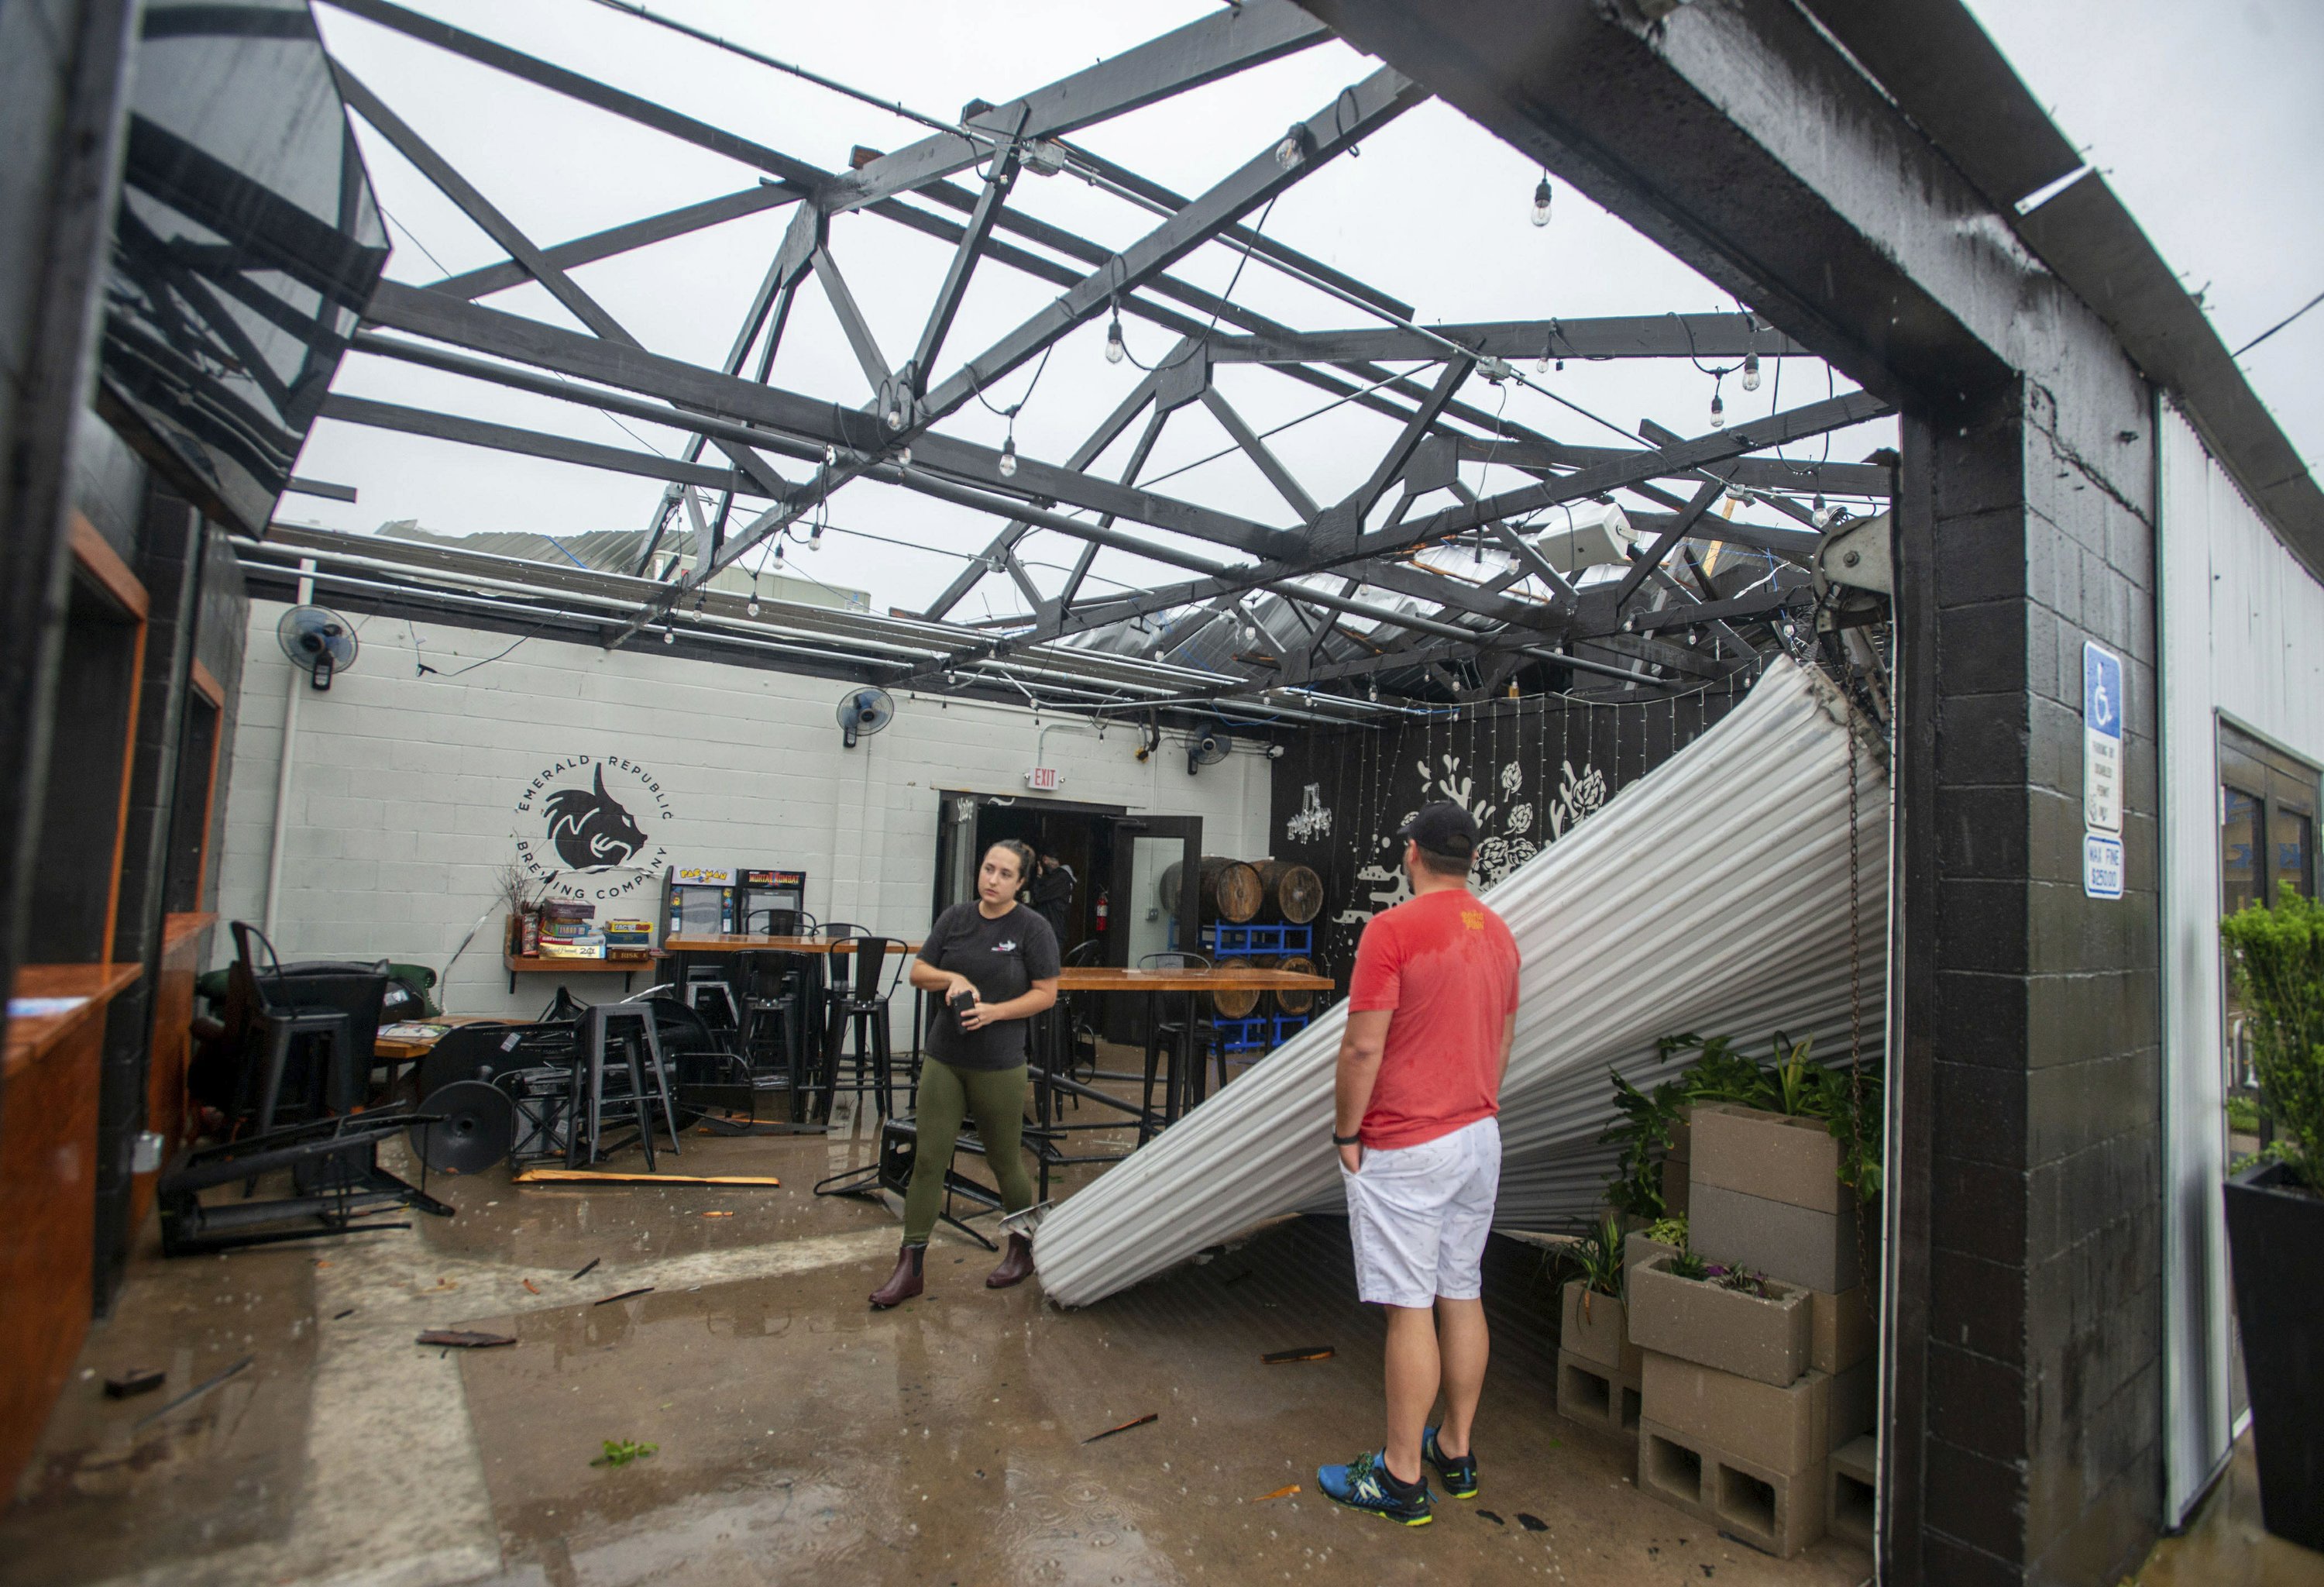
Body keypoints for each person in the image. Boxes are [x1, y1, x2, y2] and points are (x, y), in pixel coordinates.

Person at [1316, 802, 1520, 1527]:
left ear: (1411, 854)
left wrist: (1347, 1133)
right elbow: (1500, 1045)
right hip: (1478, 1135)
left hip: (1408, 1143)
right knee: (1460, 1289)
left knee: (1410, 1306)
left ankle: (1401, 1479)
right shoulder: (1498, 934)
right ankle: (1456, 1451)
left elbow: (1362, 1047)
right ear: (1468, 860)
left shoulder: (1392, 930)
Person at [870, 838, 1061, 1308]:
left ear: (1021, 883)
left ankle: (1023, 1248)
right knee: (929, 1159)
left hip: (998, 1063)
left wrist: (995, 1013)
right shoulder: (956, 918)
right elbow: (918, 971)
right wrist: (951, 979)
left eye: (1004, 874)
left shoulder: (1032, 928)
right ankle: (910, 1266)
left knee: (1004, 1161)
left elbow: (1046, 994)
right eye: (987, 869)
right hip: (944, 1057)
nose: (991, 880)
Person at [1030, 850, 1075, 948]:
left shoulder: (1060, 877)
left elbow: (1038, 895)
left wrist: (1038, 876)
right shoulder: (1061, 877)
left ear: (1045, 859)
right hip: (1054, 930)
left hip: (1054, 931)